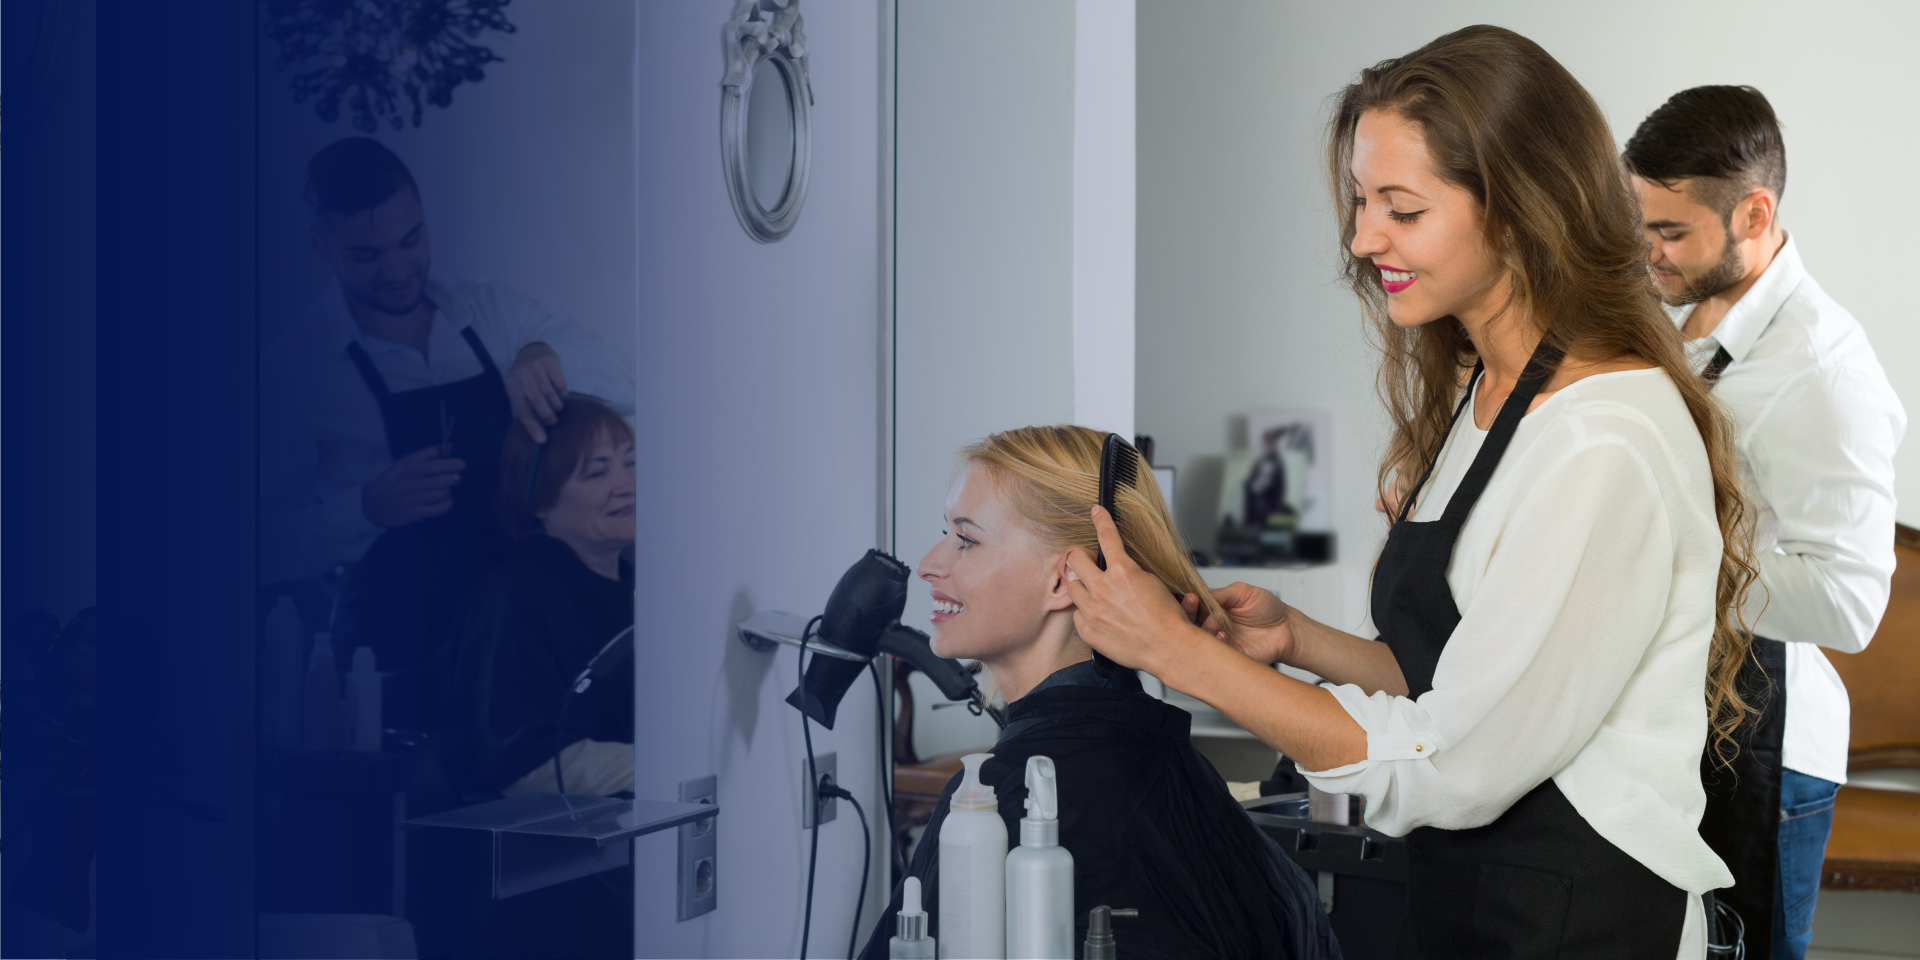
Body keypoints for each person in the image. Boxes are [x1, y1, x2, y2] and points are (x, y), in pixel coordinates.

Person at [1063, 26, 1757, 959]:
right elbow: (1458, 682)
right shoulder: (1492, 394)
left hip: (1583, 921)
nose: (1362, 238)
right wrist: (1295, 642)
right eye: (1359, 201)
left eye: (1402, 207)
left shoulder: (1604, 442)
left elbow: (1453, 763)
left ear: (1515, 210)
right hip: (1474, 904)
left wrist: (1178, 657)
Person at [858, 426, 1338, 960]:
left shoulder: (994, 801)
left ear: (1064, 582)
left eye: (966, 539)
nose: (928, 563)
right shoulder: (1170, 757)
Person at [1624, 87, 1905, 960]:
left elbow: (1850, 603)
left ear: (1755, 212)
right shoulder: (1691, 318)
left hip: (1767, 753)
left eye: (1671, 233)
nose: (1649, 252)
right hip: (1683, 730)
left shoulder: (1824, 368)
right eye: (1643, 224)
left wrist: (1668, 560)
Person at [259, 137, 633, 706]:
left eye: (411, 240)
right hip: (392, 645)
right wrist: (361, 508)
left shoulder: (491, 311)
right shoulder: (292, 370)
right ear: (319, 246)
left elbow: (625, 383)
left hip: (523, 624)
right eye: (367, 254)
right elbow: (260, 547)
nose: (398, 268)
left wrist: (542, 352)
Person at [450, 395, 636, 798]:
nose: (627, 485)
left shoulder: (646, 591)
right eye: (597, 473)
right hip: (561, 851)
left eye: (632, 463)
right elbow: (524, 763)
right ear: (539, 499)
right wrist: (666, 765)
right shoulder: (508, 600)